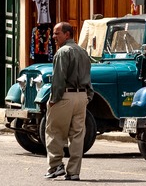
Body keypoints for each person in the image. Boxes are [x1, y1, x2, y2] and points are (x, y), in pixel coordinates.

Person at [44, 22, 94, 181]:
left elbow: (58, 80)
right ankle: (74, 172)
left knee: (54, 131)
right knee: (78, 135)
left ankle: (55, 165)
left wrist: (53, 100)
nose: (53, 37)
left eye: (57, 33)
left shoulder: (62, 52)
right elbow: (89, 77)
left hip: (65, 95)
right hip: (81, 97)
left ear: (67, 34)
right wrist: (87, 97)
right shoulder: (83, 52)